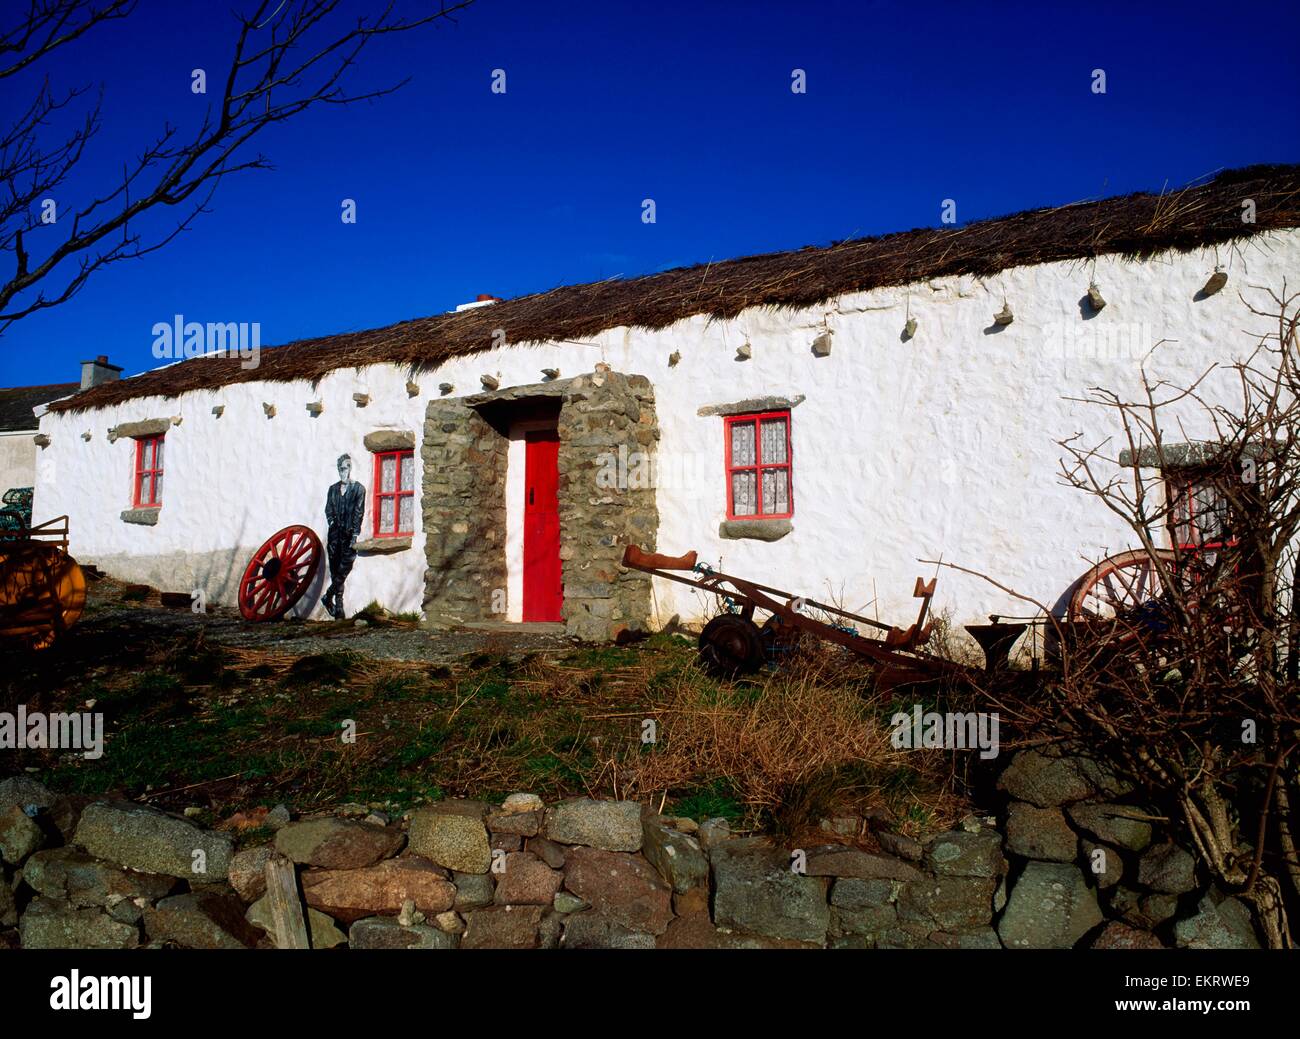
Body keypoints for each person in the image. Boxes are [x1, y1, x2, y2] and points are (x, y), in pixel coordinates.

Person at [322, 453, 365, 618]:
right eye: (340, 468)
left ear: (350, 468)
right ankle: (339, 607)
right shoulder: (332, 489)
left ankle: (327, 596)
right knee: (334, 569)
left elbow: (358, 512)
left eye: (346, 468)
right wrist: (332, 522)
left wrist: (355, 533)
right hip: (334, 536)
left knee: (344, 567)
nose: (343, 471)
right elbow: (328, 509)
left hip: (348, 535)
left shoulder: (358, 489)